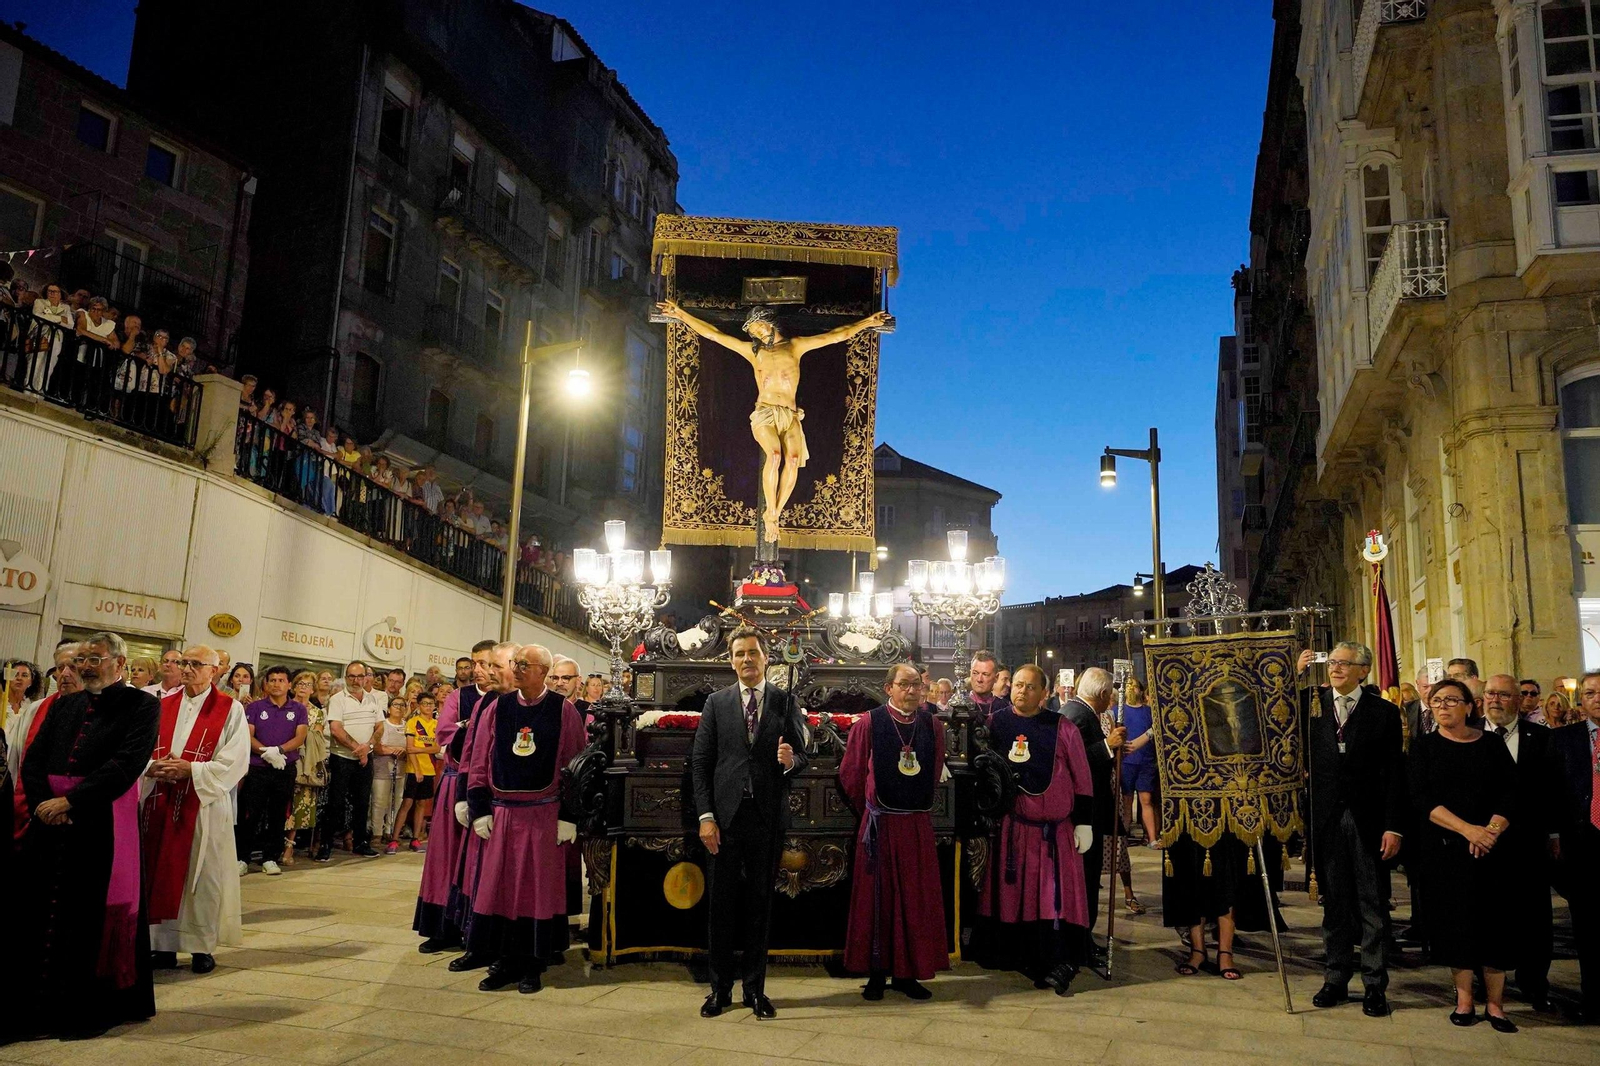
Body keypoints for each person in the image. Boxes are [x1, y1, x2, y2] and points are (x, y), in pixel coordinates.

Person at [11, 633, 159, 1041]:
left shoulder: (142, 705)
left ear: (120, 663)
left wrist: (71, 801)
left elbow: (127, 762)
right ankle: (34, 1005)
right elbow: (34, 758)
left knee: (85, 915)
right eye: (80, 660)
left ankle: (81, 1006)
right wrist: (45, 803)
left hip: (99, 823)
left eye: (95, 658)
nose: (85, 666)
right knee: (39, 912)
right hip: (51, 820)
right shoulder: (65, 704)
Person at [657, 299, 889, 541]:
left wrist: (867, 322)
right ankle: (770, 511)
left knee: (793, 459)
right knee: (775, 455)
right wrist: (681, 315)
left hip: (789, 415)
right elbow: (714, 335)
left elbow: (835, 335)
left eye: (758, 328)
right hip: (765, 412)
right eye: (753, 332)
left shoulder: (795, 346)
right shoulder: (754, 353)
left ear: (769, 324)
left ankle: (775, 513)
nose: (756, 334)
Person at [690, 626, 810, 1019]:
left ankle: (755, 991)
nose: (746, 660)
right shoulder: (716, 703)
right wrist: (706, 817)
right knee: (720, 907)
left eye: (753, 653)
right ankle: (719, 990)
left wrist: (791, 761)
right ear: (731, 660)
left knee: (760, 906)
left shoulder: (784, 700)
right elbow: (702, 764)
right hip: (723, 821)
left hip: (767, 817)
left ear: (766, 658)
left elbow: (802, 756)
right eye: (739, 653)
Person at [464, 644, 585, 993]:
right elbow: (479, 760)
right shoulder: (496, 707)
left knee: (536, 893)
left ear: (542, 671)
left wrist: (569, 816)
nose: (515, 669)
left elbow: (575, 766)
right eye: (514, 663)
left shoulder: (564, 711)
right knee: (499, 891)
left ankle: (532, 964)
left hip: (543, 815)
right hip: (502, 815)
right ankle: (503, 962)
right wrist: (479, 808)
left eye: (523, 664)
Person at [1295, 642, 1406, 1018]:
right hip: (1326, 818)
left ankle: (1374, 983)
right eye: (1333, 662)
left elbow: (1394, 775)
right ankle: (1336, 977)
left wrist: (1393, 826)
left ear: (1364, 670)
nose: (1336, 668)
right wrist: (1295, 671)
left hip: (1369, 819)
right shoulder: (1312, 706)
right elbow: (1274, 710)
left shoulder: (1384, 713)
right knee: (1335, 901)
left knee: (1372, 902)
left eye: (1345, 663)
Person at [1407, 677, 1519, 1031]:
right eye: (1436, 701)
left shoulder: (1490, 744)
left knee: (1495, 924)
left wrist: (1490, 831)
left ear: (1470, 706)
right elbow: (1422, 799)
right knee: (1456, 924)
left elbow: (1511, 792)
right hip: (1447, 851)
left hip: (1492, 849)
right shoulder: (1424, 747)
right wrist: (1468, 830)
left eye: (1451, 700)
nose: (1442, 706)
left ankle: (1497, 1005)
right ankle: (1465, 999)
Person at [976, 663, 1094, 993]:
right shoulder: (995, 723)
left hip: (1051, 834)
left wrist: (1084, 822)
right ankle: (1018, 955)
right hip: (1013, 829)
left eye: (1030, 686)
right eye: (1017, 684)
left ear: (1045, 693)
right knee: (1014, 898)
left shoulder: (1063, 728)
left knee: (1051, 900)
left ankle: (1057, 959)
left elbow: (1082, 776)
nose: (1021, 691)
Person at [840, 663, 948, 1000]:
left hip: (915, 824)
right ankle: (876, 974)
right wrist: (873, 808)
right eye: (905, 684)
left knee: (914, 901)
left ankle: (907, 973)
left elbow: (931, 773)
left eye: (917, 684)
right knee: (878, 901)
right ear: (889, 688)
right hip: (881, 826)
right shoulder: (869, 724)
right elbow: (852, 775)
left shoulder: (933, 726)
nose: (913, 691)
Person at [142, 645, 249, 975]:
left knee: (203, 876)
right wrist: (153, 766)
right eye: (182, 663)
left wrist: (192, 770)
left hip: (202, 804)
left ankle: (201, 946)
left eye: (194, 664)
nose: (186, 668)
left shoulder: (229, 709)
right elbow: (140, 748)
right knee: (158, 868)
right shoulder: (161, 706)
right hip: (161, 799)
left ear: (213, 670)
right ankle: (161, 946)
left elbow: (236, 758)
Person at [415, 640, 497, 955]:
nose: (477, 670)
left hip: (489, 790)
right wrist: (466, 728)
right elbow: (446, 739)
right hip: (454, 784)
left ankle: (476, 928)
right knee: (445, 858)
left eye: (485, 663)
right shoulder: (458, 697)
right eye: (474, 663)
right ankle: (442, 926)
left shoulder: (504, 699)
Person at [1482, 673, 1553, 1011]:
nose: (1495, 700)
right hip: (1480, 840)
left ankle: (1534, 981)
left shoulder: (1540, 738)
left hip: (1527, 841)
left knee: (1534, 915)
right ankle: (1486, 981)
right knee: (1486, 913)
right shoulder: (1467, 734)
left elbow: (1552, 790)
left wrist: (1553, 834)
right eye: (1490, 694)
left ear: (1519, 700)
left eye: (1503, 695)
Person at [1060, 667, 1125, 964]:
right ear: (1102, 694)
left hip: (1090, 812)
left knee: (1088, 878)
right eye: (1109, 696)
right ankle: (1079, 943)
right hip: (1083, 813)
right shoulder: (1077, 715)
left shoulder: (1081, 712)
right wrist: (1106, 747)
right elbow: (1071, 762)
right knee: (1083, 880)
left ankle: (1084, 939)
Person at [1548, 670, 1600, 1023]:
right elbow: (1551, 792)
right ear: (1580, 699)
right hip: (1584, 842)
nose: (1596, 697)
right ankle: (1594, 997)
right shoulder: (1564, 739)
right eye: (1590, 692)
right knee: (1589, 925)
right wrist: (1554, 836)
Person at [236, 665, 307, 875]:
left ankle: (270, 858)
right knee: (250, 814)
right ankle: (242, 857)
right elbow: (247, 735)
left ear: (289, 684)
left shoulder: (298, 709)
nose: (276, 684)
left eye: (281, 680)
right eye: (272, 680)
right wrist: (266, 751)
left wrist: (279, 750)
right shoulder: (256, 707)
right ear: (266, 684)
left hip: (284, 769)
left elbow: (300, 736)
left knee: (278, 814)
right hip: (258, 768)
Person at [322, 660, 381, 859]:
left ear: (366, 677)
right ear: (346, 678)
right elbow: (336, 729)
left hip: (366, 758)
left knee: (363, 802)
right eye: (351, 676)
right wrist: (359, 749)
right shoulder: (338, 699)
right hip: (342, 758)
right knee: (335, 804)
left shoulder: (373, 699)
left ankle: (361, 843)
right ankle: (326, 845)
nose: (355, 680)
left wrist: (369, 747)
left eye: (359, 676)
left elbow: (380, 727)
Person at [284, 670, 327, 865]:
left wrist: (301, 734)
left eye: (308, 685)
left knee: (300, 805)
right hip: (283, 759)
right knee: (281, 804)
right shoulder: (284, 706)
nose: (303, 688)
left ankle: (289, 846)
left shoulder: (317, 713)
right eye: (300, 684)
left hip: (305, 763)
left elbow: (316, 739)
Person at [394, 692, 438, 853]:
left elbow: (437, 748)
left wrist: (418, 748)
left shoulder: (436, 724)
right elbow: (409, 748)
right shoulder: (413, 722)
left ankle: (416, 838)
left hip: (430, 769)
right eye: (425, 703)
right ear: (419, 705)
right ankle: (394, 838)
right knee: (407, 803)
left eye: (431, 704)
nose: (428, 707)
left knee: (422, 804)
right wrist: (417, 769)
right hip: (414, 770)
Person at [1120, 677, 1159, 850]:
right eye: (1128, 686)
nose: (1131, 689)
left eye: (1134, 686)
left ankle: (1152, 837)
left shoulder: (1149, 712)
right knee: (1126, 801)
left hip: (1146, 761)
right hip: (1127, 762)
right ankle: (1124, 836)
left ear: (1140, 690)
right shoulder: (1118, 710)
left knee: (1146, 799)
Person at [370, 695, 410, 854]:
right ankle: (376, 833)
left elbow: (412, 747)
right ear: (389, 707)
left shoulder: (407, 726)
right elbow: (376, 746)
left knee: (398, 801)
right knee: (380, 801)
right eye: (395, 704)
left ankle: (391, 831)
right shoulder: (383, 725)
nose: (398, 708)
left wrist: (404, 751)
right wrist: (391, 750)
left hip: (402, 768)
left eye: (402, 705)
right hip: (382, 768)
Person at [966, 651, 1009, 724]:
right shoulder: (961, 706)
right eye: (975, 673)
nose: (979, 679)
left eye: (985, 674)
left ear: (996, 677)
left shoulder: (1005, 707)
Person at [3, 658, 41, 728]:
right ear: (7, 678)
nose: (19, 678)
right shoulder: (1, 702)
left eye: (24, 675)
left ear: (31, 682)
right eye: (15, 674)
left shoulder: (32, 708)